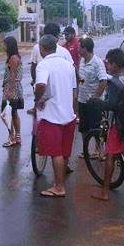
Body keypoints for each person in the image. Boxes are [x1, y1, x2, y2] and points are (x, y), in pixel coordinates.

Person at [91, 48, 124, 202]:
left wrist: (99, 104)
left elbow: (112, 105)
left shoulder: (114, 82)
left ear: (114, 64)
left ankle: (105, 192)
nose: (107, 66)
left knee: (111, 155)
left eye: (108, 63)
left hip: (120, 123)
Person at [34, 34, 78, 198]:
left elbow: (41, 85)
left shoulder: (43, 65)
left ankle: (59, 187)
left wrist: (38, 98)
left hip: (52, 116)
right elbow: (74, 91)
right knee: (64, 152)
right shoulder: (68, 65)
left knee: (55, 153)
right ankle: (59, 183)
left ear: (42, 48)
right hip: (69, 116)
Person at [77, 37, 108, 157]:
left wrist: (95, 97)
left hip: (94, 102)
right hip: (82, 99)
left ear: (85, 49)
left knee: (96, 127)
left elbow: (103, 81)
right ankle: (86, 150)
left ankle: (98, 150)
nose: (78, 49)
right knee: (83, 127)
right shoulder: (82, 61)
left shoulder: (97, 62)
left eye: (80, 47)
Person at [1, 36, 24, 147]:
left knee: (6, 114)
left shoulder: (13, 58)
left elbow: (13, 75)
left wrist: (10, 90)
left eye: (4, 44)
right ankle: (17, 136)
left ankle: (12, 137)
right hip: (14, 87)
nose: (3, 46)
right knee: (13, 113)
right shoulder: (13, 57)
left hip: (12, 88)